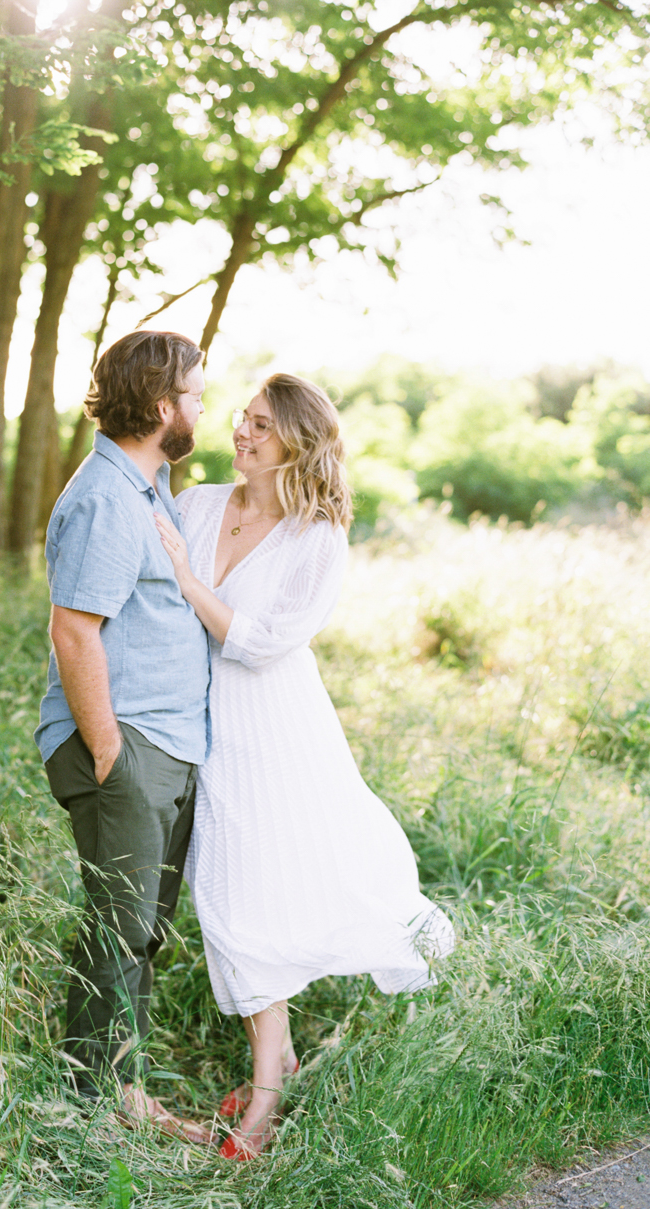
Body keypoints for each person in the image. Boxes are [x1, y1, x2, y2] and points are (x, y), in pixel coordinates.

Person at [154, 373, 455, 1159]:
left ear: (296, 439)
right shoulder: (196, 504)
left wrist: (191, 582)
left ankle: (263, 1103)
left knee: (248, 900)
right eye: (241, 419)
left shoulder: (316, 538)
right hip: (197, 723)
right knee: (222, 901)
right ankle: (276, 1060)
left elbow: (259, 640)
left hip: (273, 732)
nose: (242, 433)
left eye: (261, 424)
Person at [35, 330, 213, 1143]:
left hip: (164, 743)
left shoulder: (150, 487)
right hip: (127, 746)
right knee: (120, 924)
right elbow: (75, 631)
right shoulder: (107, 497)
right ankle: (97, 1107)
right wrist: (109, 750)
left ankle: (118, 1089)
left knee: (140, 927)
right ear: (160, 404)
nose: (204, 408)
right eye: (196, 395)